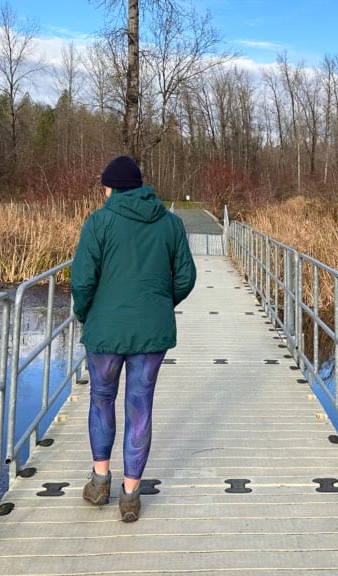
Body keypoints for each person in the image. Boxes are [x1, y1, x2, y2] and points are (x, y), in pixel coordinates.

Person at [70, 155, 197, 522]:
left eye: (104, 187)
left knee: (101, 400)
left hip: (105, 334)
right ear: (139, 187)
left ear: (111, 188)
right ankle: (130, 496)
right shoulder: (170, 224)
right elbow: (186, 278)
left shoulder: (99, 222)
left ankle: (99, 483)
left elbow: (82, 280)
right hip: (151, 334)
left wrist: (87, 313)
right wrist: (158, 304)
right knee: (140, 408)